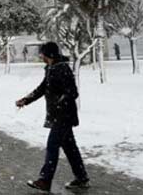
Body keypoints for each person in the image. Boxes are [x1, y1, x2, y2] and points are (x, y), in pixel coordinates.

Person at [16, 42, 90, 192]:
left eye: (42, 53)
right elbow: (42, 88)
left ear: (50, 54)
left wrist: (60, 103)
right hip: (58, 116)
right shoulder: (51, 68)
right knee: (70, 148)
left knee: (52, 146)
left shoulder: (62, 69)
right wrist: (26, 100)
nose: (41, 56)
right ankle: (81, 178)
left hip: (63, 116)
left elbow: (73, 92)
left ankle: (45, 180)